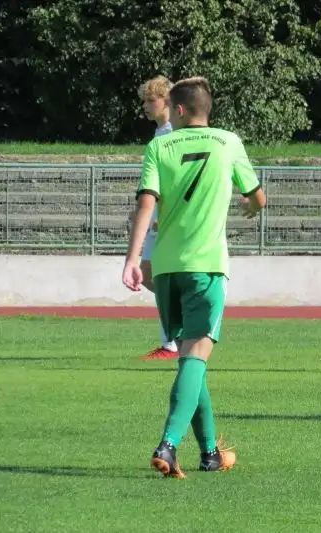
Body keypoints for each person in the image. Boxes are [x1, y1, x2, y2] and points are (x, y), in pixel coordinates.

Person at [122, 76, 266, 477]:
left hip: (167, 269)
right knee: (195, 357)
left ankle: (210, 453)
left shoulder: (158, 145)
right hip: (206, 266)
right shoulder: (228, 142)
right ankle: (168, 444)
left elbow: (146, 203)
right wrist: (252, 206)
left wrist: (133, 258)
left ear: (178, 109)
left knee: (190, 358)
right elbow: (257, 197)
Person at [135, 75, 178, 360]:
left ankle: (170, 344)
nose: (146, 107)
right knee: (150, 276)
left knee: (159, 278)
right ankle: (174, 337)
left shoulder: (174, 133)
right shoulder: (160, 133)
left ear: (167, 102)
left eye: (151, 101)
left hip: (167, 220)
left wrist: (163, 211)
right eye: (144, 102)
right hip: (155, 219)